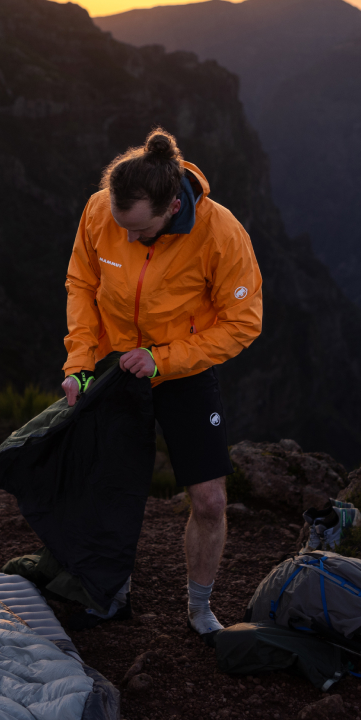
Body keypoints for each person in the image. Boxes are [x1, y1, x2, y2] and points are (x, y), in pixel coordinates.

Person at [61, 127, 264, 642]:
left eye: (140, 232)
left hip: (183, 371)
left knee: (211, 501)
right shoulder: (100, 211)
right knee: (108, 487)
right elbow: (83, 284)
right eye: (119, 226)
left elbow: (242, 322)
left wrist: (162, 359)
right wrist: (80, 363)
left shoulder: (221, 233)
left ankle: (200, 609)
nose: (127, 239)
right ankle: (110, 594)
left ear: (173, 207)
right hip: (113, 366)